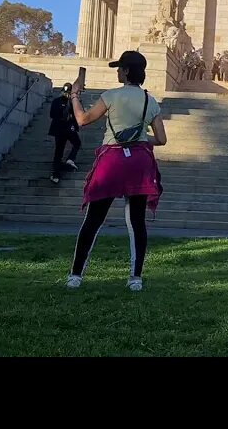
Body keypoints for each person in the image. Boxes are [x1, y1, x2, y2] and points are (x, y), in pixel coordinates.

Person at [65, 50, 167, 292]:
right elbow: (161, 139)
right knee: (136, 221)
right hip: (139, 162)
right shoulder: (149, 101)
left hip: (112, 160)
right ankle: (135, 279)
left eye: (120, 68)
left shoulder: (111, 95)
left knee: (94, 219)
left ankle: (76, 275)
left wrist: (75, 97)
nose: (118, 72)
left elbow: (82, 120)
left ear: (127, 71)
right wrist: (139, 138)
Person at [48, 83, 81, 184]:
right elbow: (76, 115)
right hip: (68, 129)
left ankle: (56, 175)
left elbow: (51, 114)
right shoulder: (72, 102)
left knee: (58, 152)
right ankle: (70, 159)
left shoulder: (56, 101)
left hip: (58, 130)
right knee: (77, 143)